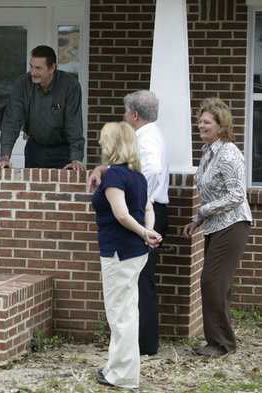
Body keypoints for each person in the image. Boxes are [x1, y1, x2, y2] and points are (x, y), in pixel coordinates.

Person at [88, 90, 169, 355]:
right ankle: (136, 346)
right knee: (133, 287)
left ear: (134, 114)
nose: (124, 116)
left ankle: (144, 345)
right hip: (144, 212)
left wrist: (134, 190)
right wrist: (103, 169)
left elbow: (153, 170)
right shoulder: (145, 137)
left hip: (143, 214)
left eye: (125, 111)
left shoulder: (147, 139)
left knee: (139, 285)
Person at [91, 122, 162, 389]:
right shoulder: (137, 176)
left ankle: (123, 376)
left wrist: (145, 233)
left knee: (121, 315)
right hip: (134, 252)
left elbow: (122, 215)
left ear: (112, 145)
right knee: (127, 312)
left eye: (103, 141)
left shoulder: (115, 176)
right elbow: (148, 207)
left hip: (119, 252)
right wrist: (149, 231)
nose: (100, 145)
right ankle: (117, 367)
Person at [183, 97, 252, 357]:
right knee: (218, 284)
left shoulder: (229, 153)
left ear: (221, 126)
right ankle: (218, 342)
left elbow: (237, 195)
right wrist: (197, 221)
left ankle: (222, 344)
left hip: (233, 224)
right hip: (215, 225)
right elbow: (211, 194)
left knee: (213, 281)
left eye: (206, 122)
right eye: (199, 121)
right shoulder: (207, 152)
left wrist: (203, 211)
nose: (200, 126)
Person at [0, 45, 85, 170]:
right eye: (31, 66)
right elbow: (12, 121)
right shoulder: (23, 84)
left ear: (52, 68)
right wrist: (5, 158)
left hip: (63, 149)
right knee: (32, 189)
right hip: (35, 148)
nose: (33, 72)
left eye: (38, 68)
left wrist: (76, 159)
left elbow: (74, 124)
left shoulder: (70, 85)